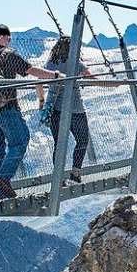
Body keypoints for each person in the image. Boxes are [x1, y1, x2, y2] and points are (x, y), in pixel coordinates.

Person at [0, 24, 62, 200]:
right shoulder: (9, 55)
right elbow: (31, 70)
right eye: (8, 38)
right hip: (8, 109)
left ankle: (0, 193)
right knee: (20, 141)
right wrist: (56, 75)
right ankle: (3, 178)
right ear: (7, 38)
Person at [42, 36, 93, 185]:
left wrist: (41, 101)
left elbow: (40, 79)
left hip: (56, 110)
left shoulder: (51, 64)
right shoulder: (76, 63)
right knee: (82, 140)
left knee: (59, 143)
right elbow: (91, 77)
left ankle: (58, 176)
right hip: (76, 109)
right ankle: (76, 172)